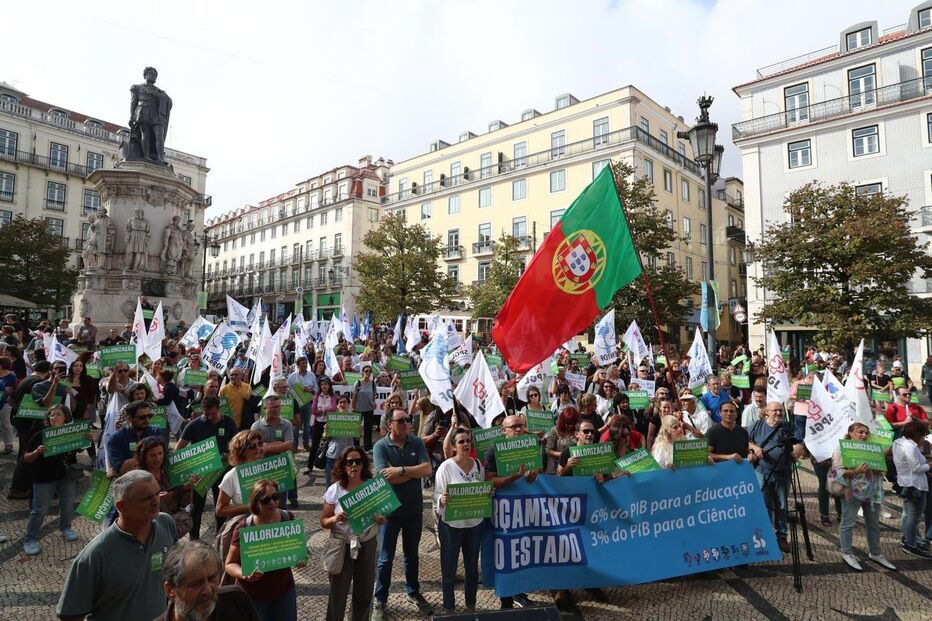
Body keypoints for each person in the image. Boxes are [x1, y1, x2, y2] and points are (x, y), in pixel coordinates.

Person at [57, 470, 178, 621]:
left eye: (157, 493)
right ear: (121, 506)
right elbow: (70, 615)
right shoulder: (95, 556)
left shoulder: (166, 524)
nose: (156, 501)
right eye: (147, 498)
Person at [372, 407, 434, 620]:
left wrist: (400, 470)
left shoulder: (416, 441)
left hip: (414, 511)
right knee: (385, 558)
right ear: (390, 424)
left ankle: (413, 591)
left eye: (407, 420)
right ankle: (380, 598)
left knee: (412, 556)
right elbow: (382, 479)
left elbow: (427, 470)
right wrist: (413, 472)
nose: (406, 423)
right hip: (390, 512)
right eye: (401, 420)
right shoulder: (381, 446)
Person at [225, 480, 304, 621]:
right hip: (253, 594)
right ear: (256, 503)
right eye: (265, 500)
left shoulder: (287, 518)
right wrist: (244, 574)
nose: (272, 503)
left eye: (275, 497)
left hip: (283, 590)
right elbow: (229, 564)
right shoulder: (244, 527)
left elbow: (298, 548)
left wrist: (301, 557)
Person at [320, 447, 383, 621]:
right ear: (343, 465)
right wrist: (335, 519)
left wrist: (381, 518)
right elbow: (323, 521)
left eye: (358, 461)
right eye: (349, 462)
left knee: (364, 593)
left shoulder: (372, 487)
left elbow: (383, 512)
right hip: (341, 544)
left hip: (367, 543)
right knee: (337, 595)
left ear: (363, 465)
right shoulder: (335, 490)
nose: (354, 465)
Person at [22, 404, 93, 555]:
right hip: (44, 477)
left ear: (65, 417)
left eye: (58, 414)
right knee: (40, 509)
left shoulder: (70, 432)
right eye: (51, 415)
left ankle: (66, 527)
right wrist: (37, 451)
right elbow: (26, 458)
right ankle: (30, 538)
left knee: (68, 504)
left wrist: (87, 439)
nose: (54, 417)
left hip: (66, 476)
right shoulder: (40, 435)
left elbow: (78, 448)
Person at [484, 413, 538, 610]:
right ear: (503, 430)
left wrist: (533, 474)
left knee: (523, 550)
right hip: (503, 512)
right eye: (514, 426)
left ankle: (521, 591)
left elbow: (535, 474)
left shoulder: (530, 447)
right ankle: (506, 598)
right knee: (505, 553)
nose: (518, 430)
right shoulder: (493, 452)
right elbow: (490, 480)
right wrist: (513, 477)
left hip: (525, 509)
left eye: (520, 426)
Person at [434, 428, 488, 613]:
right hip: (452, 526)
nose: (466, 444)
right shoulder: (446, 467)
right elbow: (437, 493)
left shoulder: (478, 465)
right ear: (454, 446)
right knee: (449, 570)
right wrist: (441, 499)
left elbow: (481, 488)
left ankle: (470, 605)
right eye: (461, 442)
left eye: (467, 441)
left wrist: (488, 493)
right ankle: (449, 607)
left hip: (474, 524)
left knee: (472, 569)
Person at [831, 422, 897, 571]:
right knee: (848, 522)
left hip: (873, 491)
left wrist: (879, 470)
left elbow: (877, 466)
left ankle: (875, 552)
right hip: (852, 492)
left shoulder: (873, 449)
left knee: (873, 523)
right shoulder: (842, 449)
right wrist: (855, 472)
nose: (864, 435)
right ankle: (847, 552)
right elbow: (836, 472)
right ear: (850, 434)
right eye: (860, 432)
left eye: (866, 433)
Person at [174, 395, 238, 539]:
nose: (209, 417)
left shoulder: (228, 422)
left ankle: (220, 538)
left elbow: (236, 445)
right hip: (199, 475)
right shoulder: (194, 425)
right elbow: (178, 449)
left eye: (213, 414)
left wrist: (229, 455)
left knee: (220, 507)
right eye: (206, 414)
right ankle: (194, 539)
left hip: (221, 472)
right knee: (196, 509)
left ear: (219, 409)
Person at [748, 402, 805, 553]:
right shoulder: (757, 425)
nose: (779, 413)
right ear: (767, 411)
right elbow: (746, 441)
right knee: (764, 505)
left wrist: (798, 449)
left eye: (781, 410)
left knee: (781, 505)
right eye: (775, 410)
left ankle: (781, 535)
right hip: (762, 471)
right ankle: (765, 535)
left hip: (783, 471)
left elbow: (799, 443)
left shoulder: (788, 426)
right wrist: (754, 448)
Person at [156, 539, 260, 621]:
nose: (208, 590)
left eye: (212, 579)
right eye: (196, 584)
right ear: (170, 591)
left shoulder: (236, 602)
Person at [134, 436, 194, 539]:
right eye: (152, 455)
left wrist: (186, 488)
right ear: (144, 456)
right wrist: (155, 499)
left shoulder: (170, 470)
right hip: (150, 528)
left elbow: (184, 503)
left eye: (160, 453)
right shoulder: (138, 477)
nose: (158, 458)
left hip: (174, 524)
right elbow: (134, 508)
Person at [892, 420, 931, 558]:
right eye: (923, 436)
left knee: (908, 514)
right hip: (915, 485)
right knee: (914, 517)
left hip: (906, 483)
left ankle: (908, 539)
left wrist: (925, 458)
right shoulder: (910, 447)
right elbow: (916, 468)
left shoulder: (898, 442)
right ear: (916, 435)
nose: (923, 439)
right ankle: (910, 544)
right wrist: (930, 466)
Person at [250, 395, 295, 506]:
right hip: (263, 469)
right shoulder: (256, 426)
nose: (276, 410)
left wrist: (266, 447)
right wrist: (279, 444)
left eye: (278, 407)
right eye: (272, 407)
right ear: (265, 408)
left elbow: (289, 445)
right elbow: (254, 450)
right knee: (263, 501)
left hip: (282, 469)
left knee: (281, 503)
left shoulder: (286, 424)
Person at [216, 430, 266, 526]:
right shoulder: (231, 476)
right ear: (241, 450)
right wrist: (250, 507)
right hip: (243, 527)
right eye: (252, 446)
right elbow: (220, 510)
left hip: (267, 524)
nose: (258, 448)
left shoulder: (267, 469)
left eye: (259, 444)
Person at [107, 400, 162, 477]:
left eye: (149, 416)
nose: (147, 420)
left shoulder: (155, 432)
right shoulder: (116, 438)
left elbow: (159, 461)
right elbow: (121, 469)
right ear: (130, 418)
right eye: (142, 417)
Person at [323, 394, 359, 488]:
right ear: (337, 405)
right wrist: (326, 431)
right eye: (340, 402)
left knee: (347, 484)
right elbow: (326, 438)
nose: (343, 404)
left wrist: (359, 430)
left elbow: (357, 439)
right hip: (333, 456)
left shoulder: (354, 419)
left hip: (348, 457)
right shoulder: (332, 419)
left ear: (349, 404)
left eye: (345, 402)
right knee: (331, 484)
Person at [306, 376, 337, 475]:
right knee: (315, 444)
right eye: (322, 384)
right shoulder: (316, 396)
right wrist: (324, 411)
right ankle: (309, 466)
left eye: (326, 384)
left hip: (329, 422)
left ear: (329, 385)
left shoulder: (332, 396)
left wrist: (322, 411)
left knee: (330, 444)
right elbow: (313, 410)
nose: (324, 386)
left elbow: (333, 409)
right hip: (318, 422)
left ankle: (330, 466)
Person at [287, 356, 318, 450]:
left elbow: (317, 389)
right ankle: (295, 444)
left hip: (308, 403)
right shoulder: (292, 376)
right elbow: (288, 390)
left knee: (307, 424)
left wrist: (311, 389)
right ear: (298, 365)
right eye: (302, 363)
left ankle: (306, 443)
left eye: (305, 363)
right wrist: (296, 391)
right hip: (296, 404)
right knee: (296, 424)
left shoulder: (311, 375)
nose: (304, 365)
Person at [545, 406, 580, 474]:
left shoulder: (579, 429)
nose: (570, 426)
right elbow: (548, 451)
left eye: (572, 423)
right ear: (562, 421)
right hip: (558, 465)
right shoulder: (555, 430)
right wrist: (564, 454)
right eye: (567, 423)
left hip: (577, 464)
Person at [351, 363, 377, 451]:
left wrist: (373, 403)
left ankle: (367, 446)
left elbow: (373, 395)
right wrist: (353, 409)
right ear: (363, 373)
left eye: (370, 371)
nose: (368, 373)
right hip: (358, 409)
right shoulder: (357, 383)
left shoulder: (373, 383)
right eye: (366, 371)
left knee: (368, 429)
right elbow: (354, 397)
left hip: (369, 409)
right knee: (356, 429)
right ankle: (356, 446)